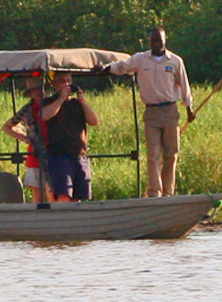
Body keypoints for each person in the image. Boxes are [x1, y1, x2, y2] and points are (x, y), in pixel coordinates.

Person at [106, 26, 196, 196]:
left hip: (170, 110)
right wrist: (106, 68)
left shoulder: (175, 61)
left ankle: (168, 192)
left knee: (171, 154)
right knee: (153, 153)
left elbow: (184, 86)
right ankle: (155, 191)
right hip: (151, 112)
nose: (156, 44)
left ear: (165, 41)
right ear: (150, 41)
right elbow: (122, 66)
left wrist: (189, 108)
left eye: (159, 41)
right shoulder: (141, 59)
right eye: (153, 41)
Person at [39, 71, 100, 202]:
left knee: (79, 196)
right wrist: (61, 99)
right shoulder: (49, 102)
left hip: (79, 154)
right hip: (60, 155)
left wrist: (83, 102)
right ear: (54, 84)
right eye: (62, 81)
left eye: (68, 80)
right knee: (63, 194)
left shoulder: (77, 104)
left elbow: (94, 121)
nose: (66, 84)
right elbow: (45, 116)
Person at [1, 76, 51, 203]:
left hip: (55, 152)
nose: (38, 93)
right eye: (34, 90)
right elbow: (7, 126)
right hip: (36, 153)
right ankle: (38, 218)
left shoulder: (53, 104)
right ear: (30, 93)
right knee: (38, 193)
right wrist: (25, 138)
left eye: (40, 89)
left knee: (53, 191)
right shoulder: (28, 109)